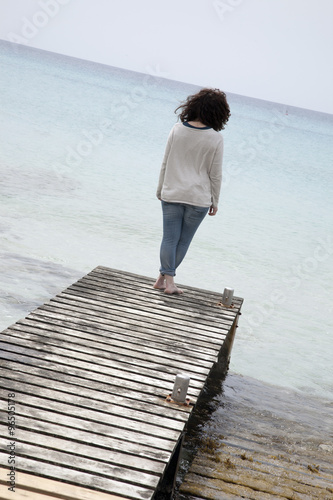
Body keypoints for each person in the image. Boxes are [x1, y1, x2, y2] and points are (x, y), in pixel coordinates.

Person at [154, 88, 230, 294]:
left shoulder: (177, 129)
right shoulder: (216, 138)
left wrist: (160, 188)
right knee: (183, 241)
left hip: (173, 193)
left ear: (194, 105)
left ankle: (163, 280)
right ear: (219, 113)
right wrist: (215, 201)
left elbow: (165, 162)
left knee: (169, 239)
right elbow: (215, 174)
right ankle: (168, 283)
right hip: (199, 199)